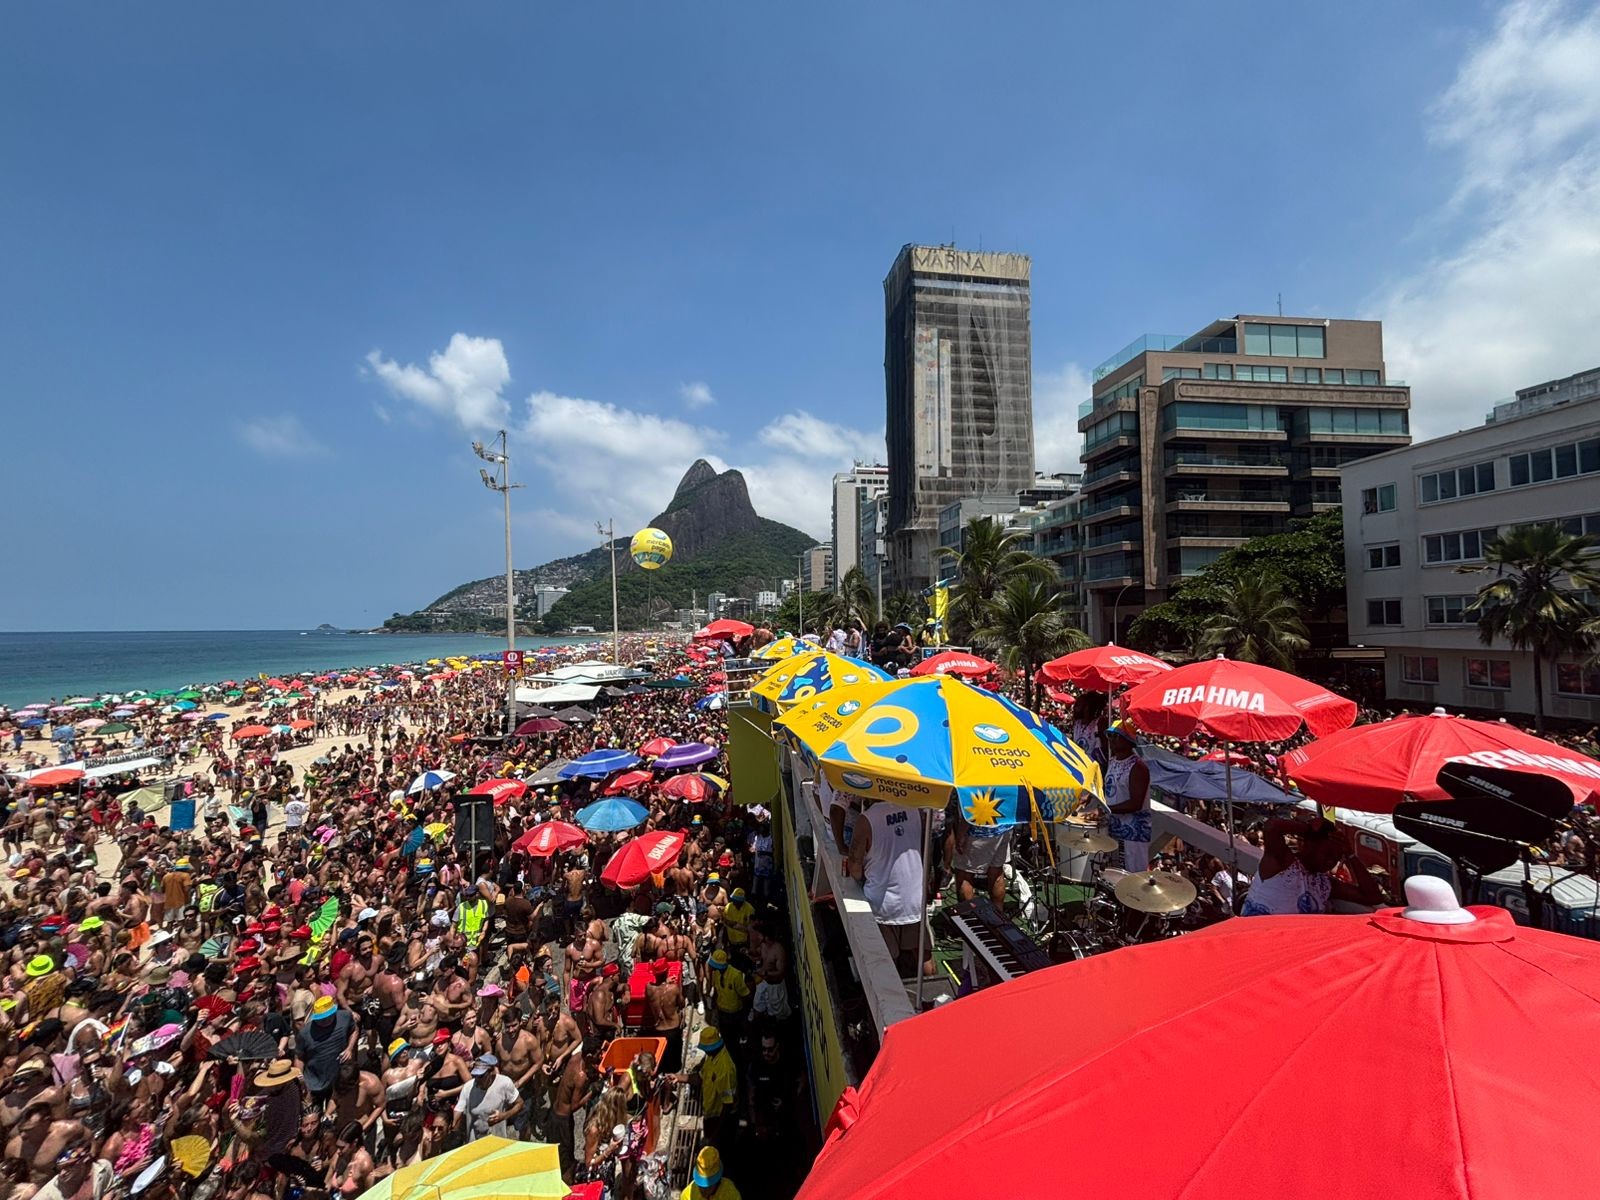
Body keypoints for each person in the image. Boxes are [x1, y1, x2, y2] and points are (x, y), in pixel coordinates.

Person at [848, 799, 931, 978]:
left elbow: (854, 867)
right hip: (915, 899)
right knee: (922, 955)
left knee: (886, 962)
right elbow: (925, 850)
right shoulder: (917, 810)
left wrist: (862, 876)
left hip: (882, 905)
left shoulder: (866, 820)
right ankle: (939, 997)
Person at [1241, 815, 1383, 916]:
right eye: (1327, 853)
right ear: (1308, 845)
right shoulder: (1282, 862)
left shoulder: (1325, 884)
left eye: (1336, 858)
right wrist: (1309, 829)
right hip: (1257, 939)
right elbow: (1273, 826)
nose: (1331, 861)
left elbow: (1372, 897)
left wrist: (1350, 854)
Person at [1102, 722, 1152, 872]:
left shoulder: (1137, 766)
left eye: (1116, 736)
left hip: (1132, 834)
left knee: (1132, 878)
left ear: (1128, 740)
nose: (1111, 739)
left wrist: (1105, 810)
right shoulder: (1112, 762)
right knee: (1115, 876)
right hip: (1114, 828)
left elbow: (1135, 803)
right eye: (1109, 735)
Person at [453, 1054, 521, 1141]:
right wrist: (455, 1127)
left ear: (491, 1072)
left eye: (481, 1076)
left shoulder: (504, 1083)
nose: (477, 1080)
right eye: (475, 1076)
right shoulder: (468, 1087)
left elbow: (519, 1103)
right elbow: (458, 1111)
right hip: (474, 1142)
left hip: (497, 1140)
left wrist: (504, 1115)